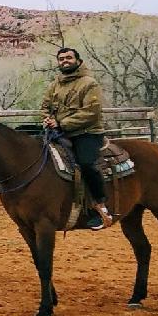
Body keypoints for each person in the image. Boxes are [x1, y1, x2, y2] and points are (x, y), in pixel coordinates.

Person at [42, 46, 110, 230]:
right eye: (61, 58)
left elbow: (91, 112)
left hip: (86, 133)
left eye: (69, 58)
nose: (65, 61)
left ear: (78, 61)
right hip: (59, 132)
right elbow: (45, 106)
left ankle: (100, 206)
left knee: (87, 163)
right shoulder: (54, 84)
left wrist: (61, 124)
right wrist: (48, 119)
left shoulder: (89, 83)